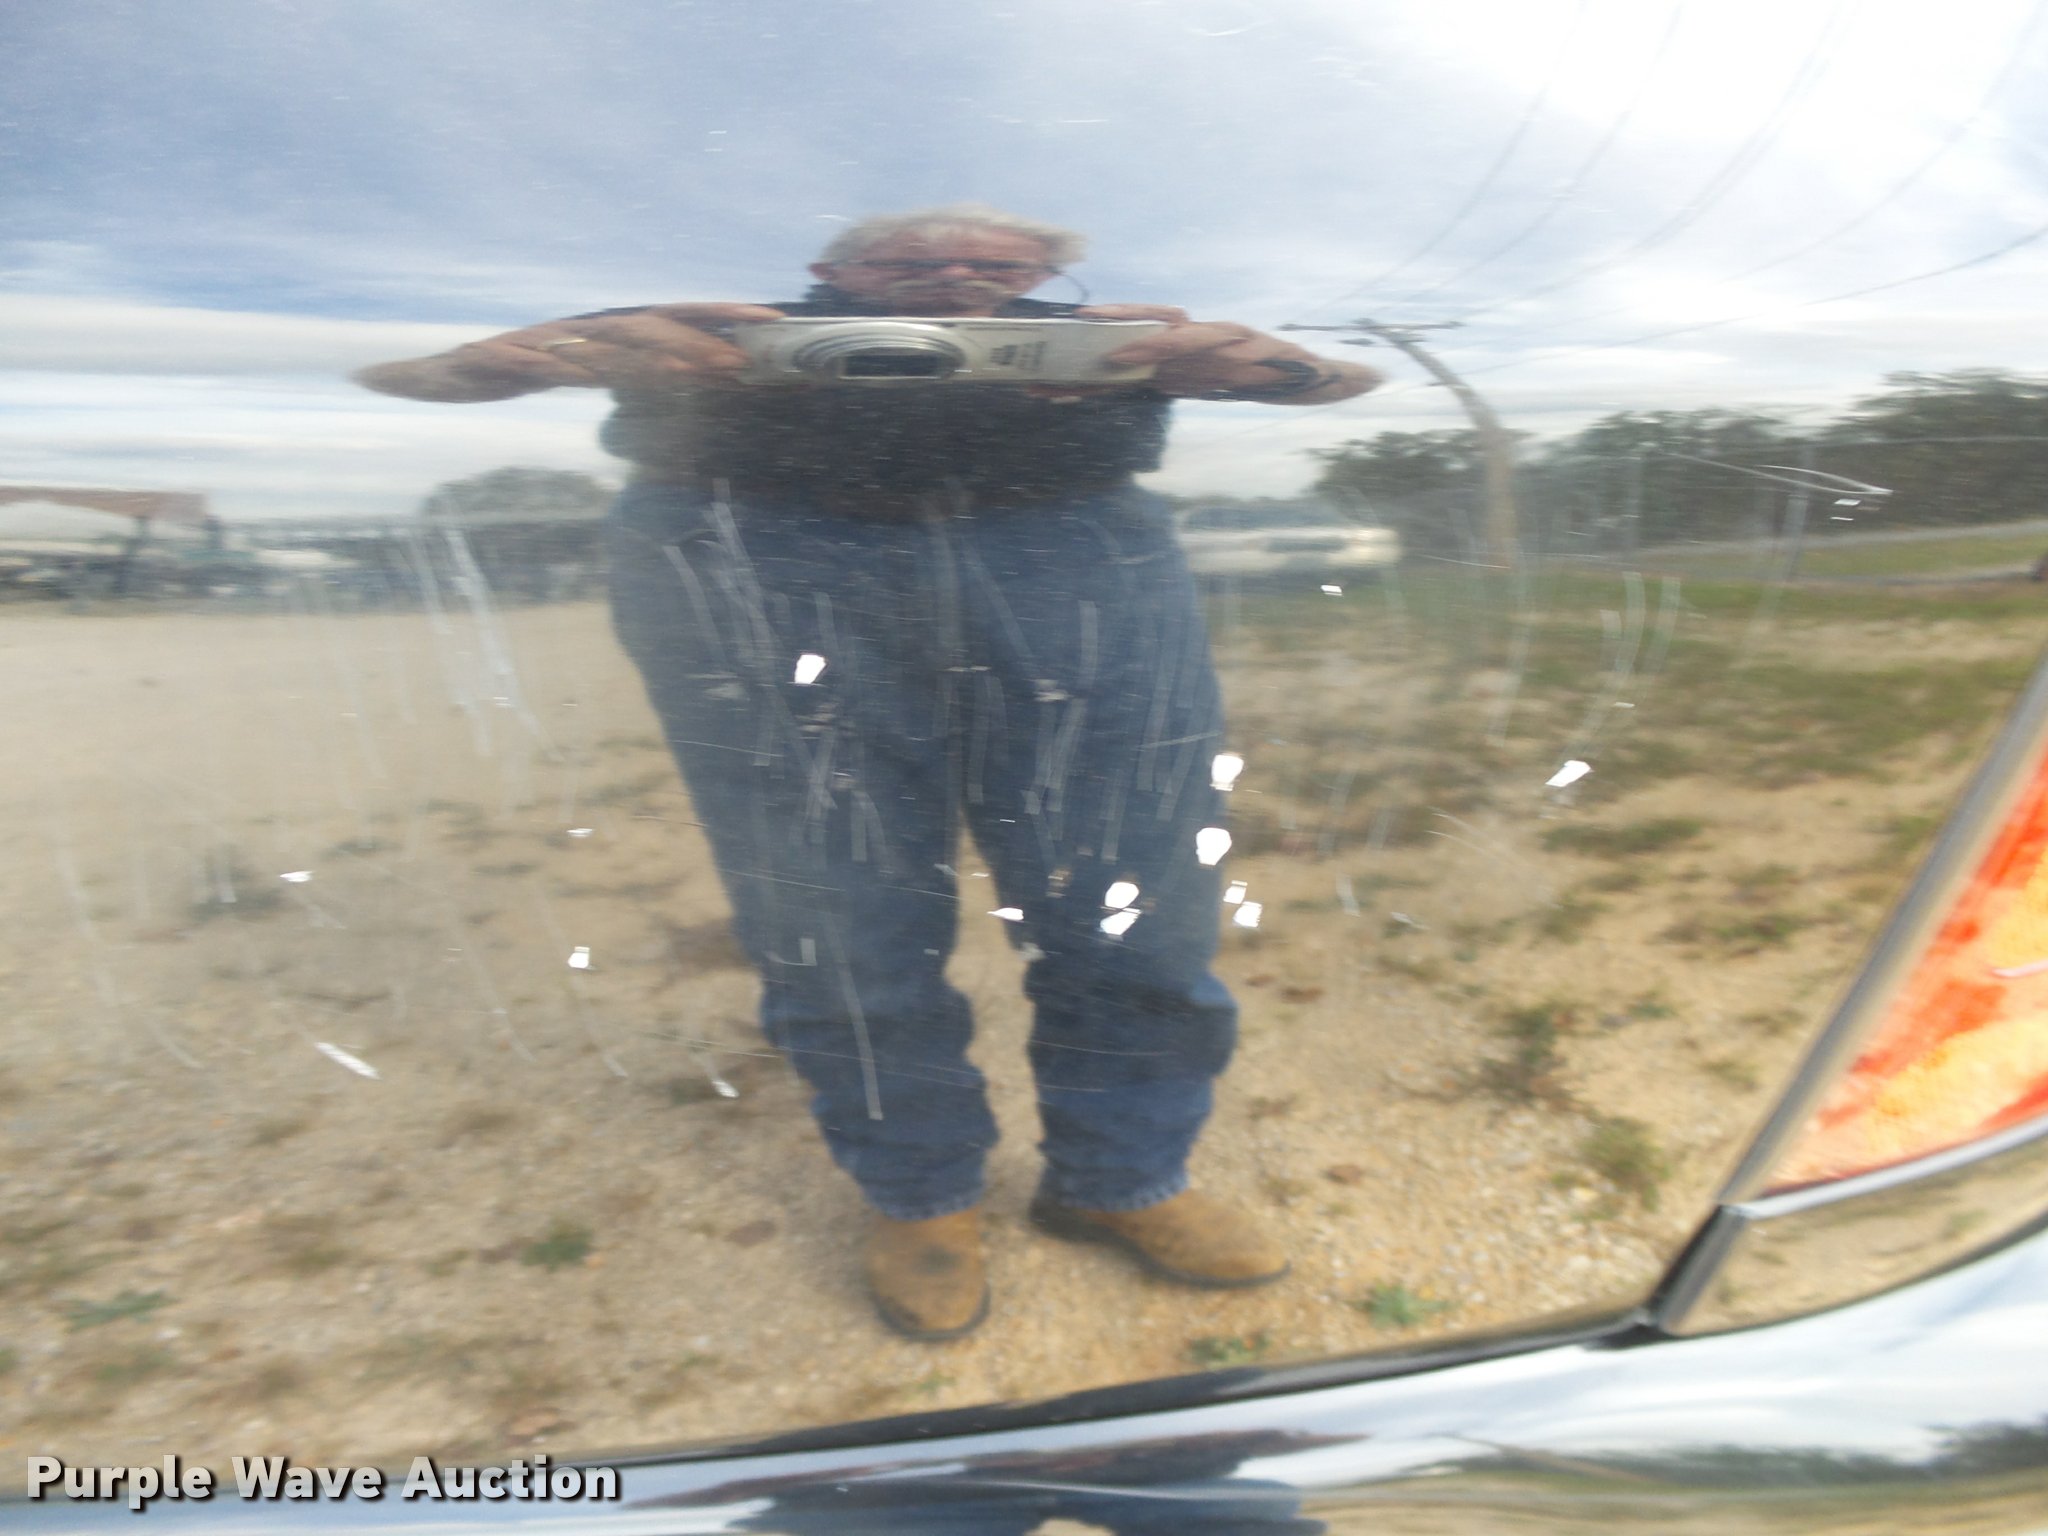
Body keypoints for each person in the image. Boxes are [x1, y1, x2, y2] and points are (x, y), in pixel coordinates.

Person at [356, 205, 1382, 1339]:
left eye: (995, 262)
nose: (953, 275)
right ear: (830, 274)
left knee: (1133, 884)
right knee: (832, 903)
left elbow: (1346, 383)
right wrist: (559, 348)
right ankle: (920, 1195)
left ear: (1041, 277)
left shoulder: (1113, 340)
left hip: (1071, 544)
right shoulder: (716, 329)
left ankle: (1123, 1176)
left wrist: (1254, 363)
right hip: (748, 546)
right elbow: (412, 379)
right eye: (908, 259)